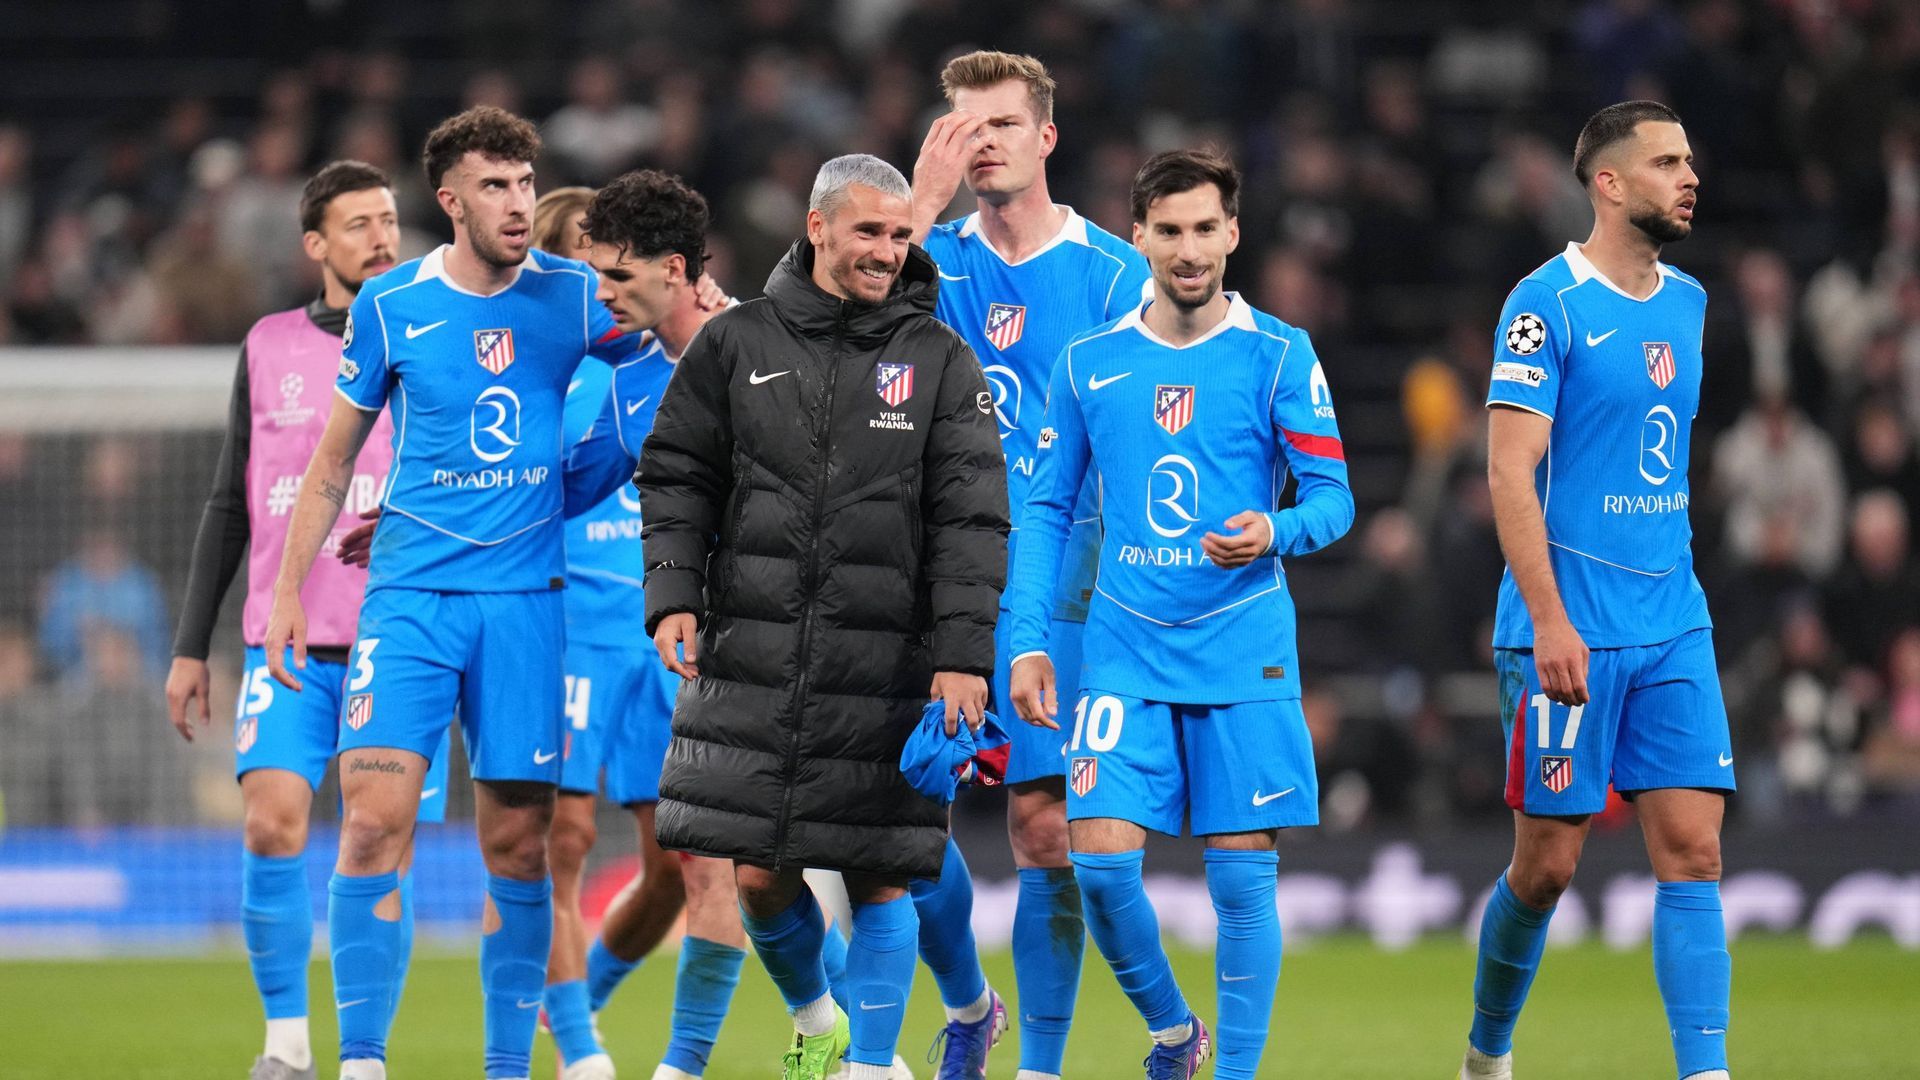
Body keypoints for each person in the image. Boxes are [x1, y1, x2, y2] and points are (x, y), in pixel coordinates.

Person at [262, 106, 631, 1080]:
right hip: (412, 601)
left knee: (519, 843)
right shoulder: (393, 305)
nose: (518, 203)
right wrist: (286, 595)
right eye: (497, 186)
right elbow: (334, 462)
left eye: (525, 182)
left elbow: (664, 361)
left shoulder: (574, 297)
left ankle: (509, 1067)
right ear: (451, 199)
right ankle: (362, 1062)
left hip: (525, 609)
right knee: (375, 816)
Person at [637, 153, 1008, 1080]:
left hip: (887, 661)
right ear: (818, 228)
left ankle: (872, 1066)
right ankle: (818, 1018)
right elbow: (678, 472)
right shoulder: (737, 344)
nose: (887, 251)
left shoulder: (940, 360)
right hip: (753, 653)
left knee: (881, 869)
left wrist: (963, 657)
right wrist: (673, 591)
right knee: (756, 876)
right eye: (868, 231)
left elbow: (971, 521)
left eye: (898, 234)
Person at [1003, 149, 1353, 1080]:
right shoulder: (1090, 363)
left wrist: (1273, 529)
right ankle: (1171, 1030)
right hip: (1122, 645)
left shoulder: (1280, 353)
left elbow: (1333, 500)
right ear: (1139, 238)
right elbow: (1044, 509)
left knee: (1242, 883)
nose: (1189, 249)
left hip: (1244, 647)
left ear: (1233, 234)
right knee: (1104, 866)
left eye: (1206, 229)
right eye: (1169, 230)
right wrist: (1029, 640)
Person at [1461, 101, 1732, 1080]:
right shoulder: (1545, 306)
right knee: (1548, 868)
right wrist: (1547, 620)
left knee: (1695, 852)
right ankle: (1487, 1054)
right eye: (1666, 162)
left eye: (1690, 159)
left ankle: (1706, 1071)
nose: (1688, 176)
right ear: (1608, 183)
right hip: (1566, 629)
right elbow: (1508, 471)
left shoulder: (1692, 303)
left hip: (1672, 618)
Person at [163, 160, 448, 1080]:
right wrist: (188, 647)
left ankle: (363, 1055)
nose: (381, 235)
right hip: (283, 641)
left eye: (389, 218)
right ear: (315, 245)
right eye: (358, 222)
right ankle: (286, 1045)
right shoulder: (268, 344)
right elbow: (229, 502)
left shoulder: (434, 328)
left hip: (400, 638)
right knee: (271, 823)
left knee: (379, 847)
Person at [905, 51, 1151, 1080]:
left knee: (1044, 828)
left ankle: (1039, 1067)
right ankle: (969, 1005)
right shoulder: (927, 259)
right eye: (965, 128)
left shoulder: (1109, 273)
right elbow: (832, 318)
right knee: (891, 821)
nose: (985, 143)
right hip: (932, 569)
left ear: (1047, 137)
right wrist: (913, 205)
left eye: (1004, 124)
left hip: (1062, 577)